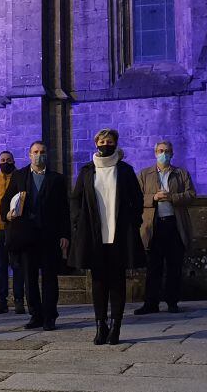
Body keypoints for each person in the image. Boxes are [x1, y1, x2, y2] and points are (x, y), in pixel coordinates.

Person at [68, 129, 145, 345]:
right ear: (96, 144)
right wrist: (77, 223)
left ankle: (116, 326)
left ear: (115, 144)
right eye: (102, 141)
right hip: (94, 234)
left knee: (117, 281)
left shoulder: (125, 171)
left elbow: (137, 200)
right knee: (99, 281)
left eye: (109, 141)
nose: (105, 144)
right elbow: (76, 199)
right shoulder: (86, 171)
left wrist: (134, 222)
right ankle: (100, 325)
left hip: (119, 233)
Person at [1, 141, 70, 331]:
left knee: (49, 277)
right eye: (35, 152)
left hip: (50, 235)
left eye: (42, 151)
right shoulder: (19, 175)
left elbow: (64, 209)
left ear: (47, 154)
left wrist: (65, 234)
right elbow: (6, 201)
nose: (39, 155)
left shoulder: (57, 179)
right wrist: (7, 215)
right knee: (29, 277)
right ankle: (35, 314)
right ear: (29, 155)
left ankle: (50, 316)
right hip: (26, 235)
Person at [135, 141, 196, 315]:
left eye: (167, 151)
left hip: (174, 224)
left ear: (172, 153)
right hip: (153, 226)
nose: (164, 154)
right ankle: (150, 303)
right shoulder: (145, 174)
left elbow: (191, 195)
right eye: (161, 151)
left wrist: (172, 197)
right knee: (153, 266)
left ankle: (172, 301)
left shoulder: (181, 173)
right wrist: (153, 197)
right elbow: (137, 197)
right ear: (155, 153)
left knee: (174, 266)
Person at [0, 151, 25, 315]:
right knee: (1, 266)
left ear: (13, 161)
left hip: (15, 229)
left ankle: (18, 301)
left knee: (16, 265)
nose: (5, 162)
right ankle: (1, 301)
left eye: (8, 160)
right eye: (2, 160)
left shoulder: (20, 178)